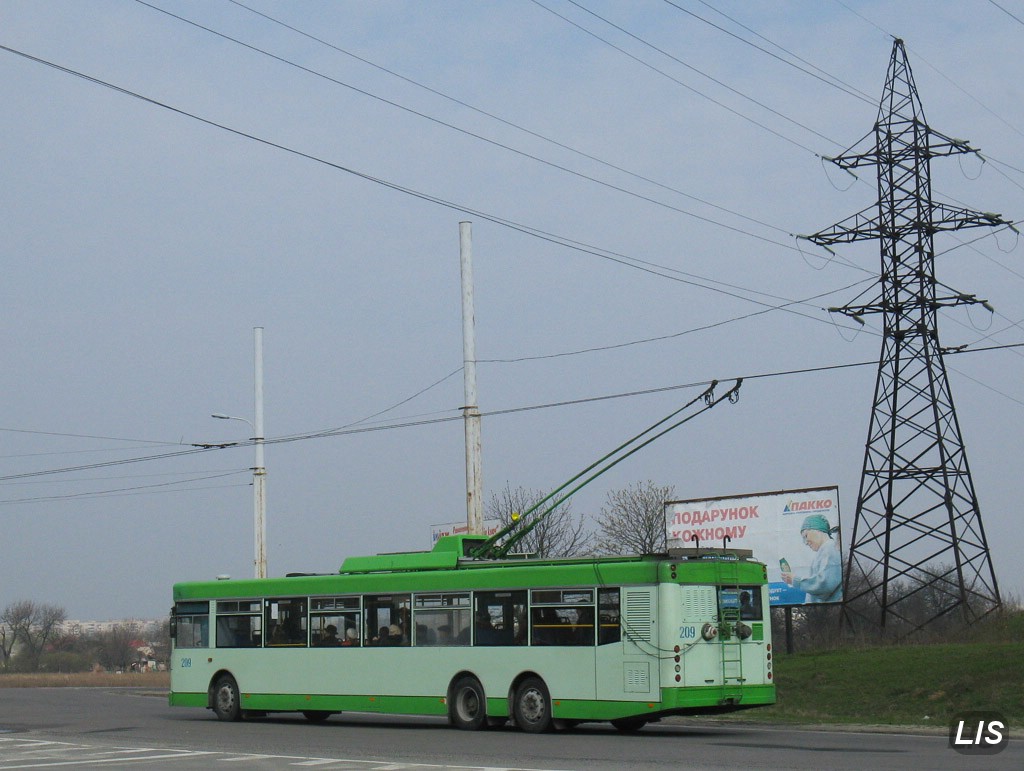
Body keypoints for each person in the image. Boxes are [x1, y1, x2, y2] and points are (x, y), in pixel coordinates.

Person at [781, 513, 842, 603]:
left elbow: (825, 584)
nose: (805, 542)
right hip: (824, 612)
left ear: (818, 530)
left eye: (806, 536)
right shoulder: (824, 551)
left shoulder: (830, 548)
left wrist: (796, 580)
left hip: (830, 612)